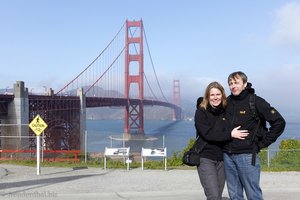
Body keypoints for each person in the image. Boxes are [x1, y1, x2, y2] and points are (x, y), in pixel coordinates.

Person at [223, 71, 286, 200]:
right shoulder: (227, 102)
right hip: (227, 155)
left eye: (236, 82)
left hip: (246, 155)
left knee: (253, 195)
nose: (232, 86)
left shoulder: (256, 101)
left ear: (245, 84)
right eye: (230, 83)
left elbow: (279, 122)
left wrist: (261, 144)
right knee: (234, 195)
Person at [194, 81, 249, 200]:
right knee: (213, 195)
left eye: (218, 94)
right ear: (207, 96)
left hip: (223, 158)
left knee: (218, 194)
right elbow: (208, 134)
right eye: (212, 95)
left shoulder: (226, 111)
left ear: (222, 95)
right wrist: (230, 134)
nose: (215, 98)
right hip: (205, 157)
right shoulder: (201, 112)